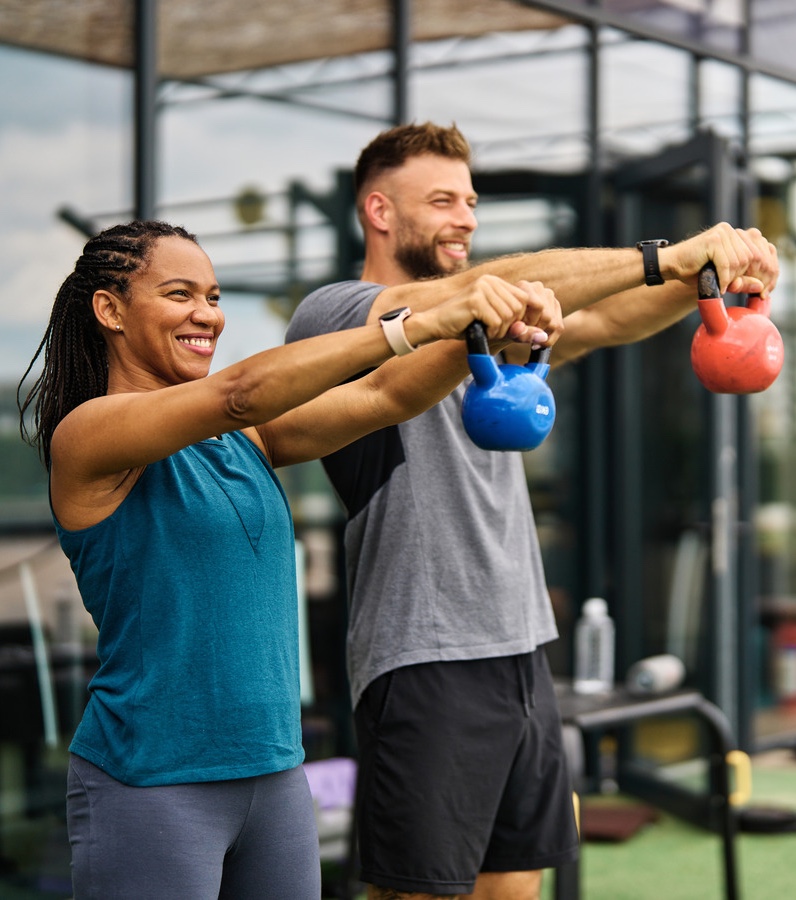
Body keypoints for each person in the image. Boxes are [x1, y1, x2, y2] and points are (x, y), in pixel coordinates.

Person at [284, 122, 780, 900]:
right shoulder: (342, 313)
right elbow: (463, 295)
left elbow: (606, 321)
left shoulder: (480, 327)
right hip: (424, 650)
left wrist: (703, 282)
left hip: (519, 649)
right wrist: (666, 255)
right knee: (419, 891)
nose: (467, 219)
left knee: (515, 889)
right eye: (443, 200)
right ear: (379, 211)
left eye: (472, 201)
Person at [16, 219, 562, 900]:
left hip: (274, 779)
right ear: (110, 310)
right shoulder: (90, 434)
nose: (206, 316)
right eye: (181, 294)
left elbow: (386, 395)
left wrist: (476, 336)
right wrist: (420, 320)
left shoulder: (247, 440)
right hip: (152, 783)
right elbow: (236, 391)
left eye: (214, 298)